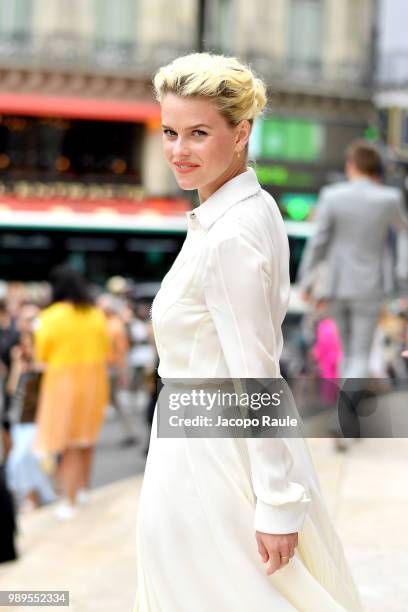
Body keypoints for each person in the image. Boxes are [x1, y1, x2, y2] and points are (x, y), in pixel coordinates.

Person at [135, 53, 363, 612]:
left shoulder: (229, 233)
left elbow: (255, 373)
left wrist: (277, 504)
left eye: (198, 133)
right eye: (169, 132)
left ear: (241, 134)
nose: (178, 151)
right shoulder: (248, 209)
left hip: (206, 456)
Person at [299, 140, 408, 378]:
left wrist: (306, 281)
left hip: (336, 285)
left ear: (351, 166)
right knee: (360, 353)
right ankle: (349, 408)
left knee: (346, 352)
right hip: (370, 286)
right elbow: (404, 233)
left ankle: (344, 407)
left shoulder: (331, 196)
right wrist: (402, 275)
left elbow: (319, 243)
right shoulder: (388, 198)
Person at [34, 266, 110, 520]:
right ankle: (83, 489)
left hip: (62, 381)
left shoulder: (51, 316)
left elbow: (42, 352)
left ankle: (69, 500)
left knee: (67, 443)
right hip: (95, 380)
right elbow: (105, 348)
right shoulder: (96, 313)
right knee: (86, 438)